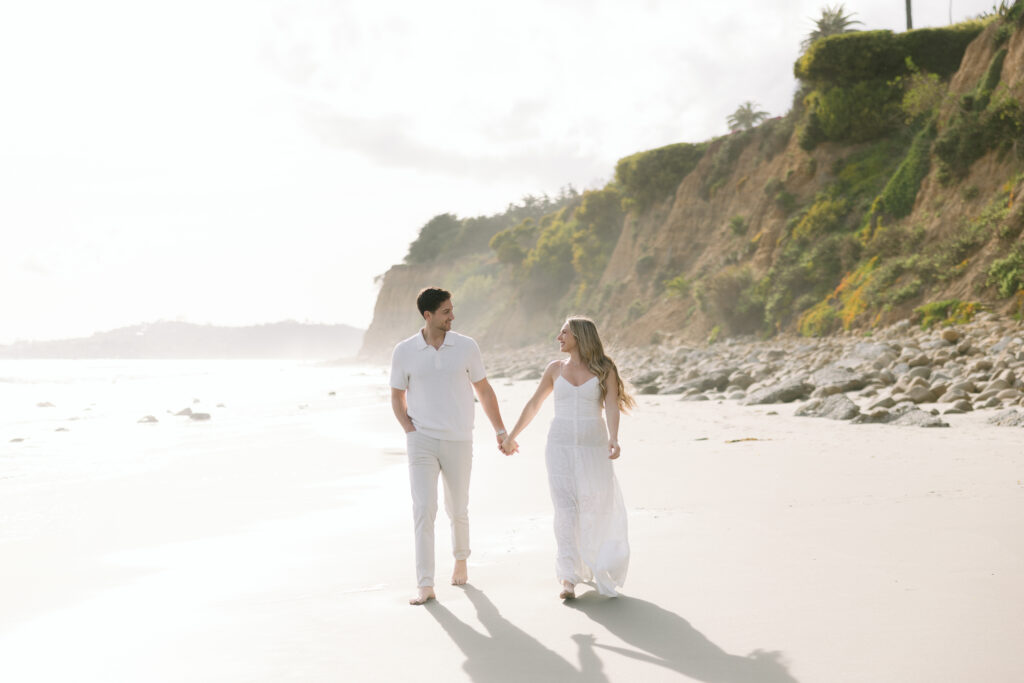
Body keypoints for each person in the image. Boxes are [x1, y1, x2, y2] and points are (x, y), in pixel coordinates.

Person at [390, 287, 511, 605]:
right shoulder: (404, 351)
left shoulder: (466, 347)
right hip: (422, 441)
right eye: (446, 311)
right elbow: (396, 395)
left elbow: (484, 390)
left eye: (452, 309)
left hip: (459, 438)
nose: (452, 316)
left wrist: (500, 430)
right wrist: (409, 429)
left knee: (458, 508)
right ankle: (425, 583)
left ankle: (460, 558)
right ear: (427, 315)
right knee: (423, 510)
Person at [501, 316, 635, 599]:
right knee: (564, 511)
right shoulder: (554, 369)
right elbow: (534, 404)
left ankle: (594, 563)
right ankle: (568, 577)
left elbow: (611, 405)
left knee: (592, 507)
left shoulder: (604, 369)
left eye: (564, 333)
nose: (559, 338)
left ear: (579, 337)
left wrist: (614, 438)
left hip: (593, 447)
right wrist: (512, 435)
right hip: (559, 446)